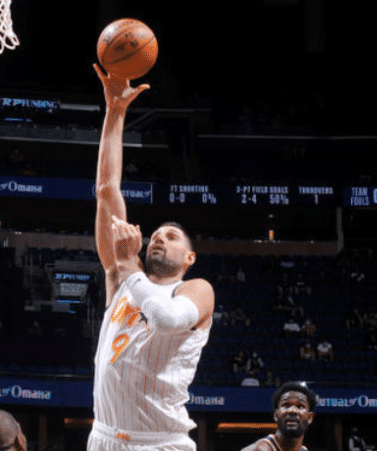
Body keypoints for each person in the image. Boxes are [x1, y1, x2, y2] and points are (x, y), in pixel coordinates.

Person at [87, 64, 215, 451]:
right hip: (104, 438)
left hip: (160, 443)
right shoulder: (120, 275)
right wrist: (115, 111)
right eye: (156, 234)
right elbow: (106, 189)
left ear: (190, 257)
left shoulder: (197, 289)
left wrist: (129, 267)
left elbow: (167, 319)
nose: (159, 237)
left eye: (171, 237)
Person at [240, 381, 317, 451]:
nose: (292, 410)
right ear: (276, 415)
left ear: (309, 417)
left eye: (300, 406)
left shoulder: (303, 449)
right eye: (286, 405)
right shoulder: (262, 449)